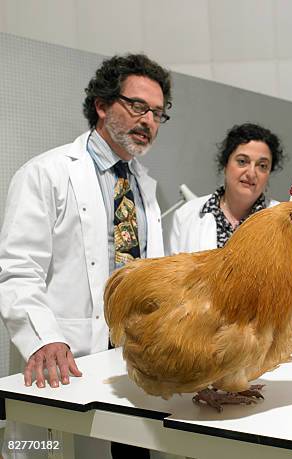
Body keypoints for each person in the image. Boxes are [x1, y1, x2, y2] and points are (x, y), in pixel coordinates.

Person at [0, 54, 172, 458]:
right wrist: (45, 340)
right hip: (61, 359)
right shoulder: (46, 173)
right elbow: (17, 270)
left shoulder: (145, 190)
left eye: (158, 114)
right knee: (48, 450)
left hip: (130, 362)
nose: (148, 121)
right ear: (101, 104)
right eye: (138, 106)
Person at [170, 123, 284, 253]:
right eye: (242, 161)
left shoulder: (283, 222)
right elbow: (174, 271)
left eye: (262, 166)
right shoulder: (186, 215)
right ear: (225, 165)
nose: (251, 173)